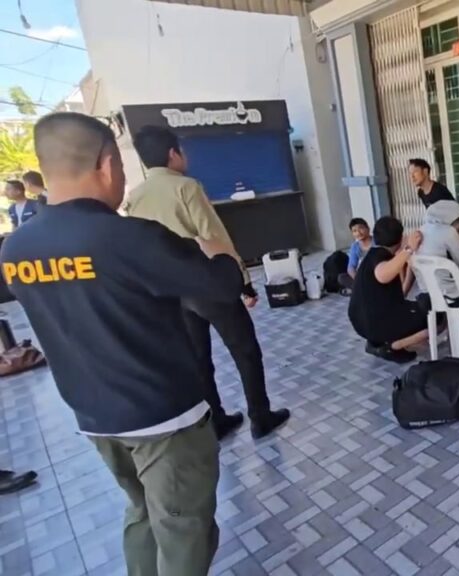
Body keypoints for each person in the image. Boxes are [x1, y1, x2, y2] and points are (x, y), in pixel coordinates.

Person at [1, 111, 242, 575]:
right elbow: (221, 285)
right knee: (184, 530)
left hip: (96, 417)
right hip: (162, 416)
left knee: (143, 512)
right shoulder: (127, 237)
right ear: (108, 164)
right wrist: (218, 247)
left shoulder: (16, 250)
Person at [125, 126, 289, 441]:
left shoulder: (135, 197)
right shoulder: (186, 187)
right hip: (205, 283)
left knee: (199, 358)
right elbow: (214, 238)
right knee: (245, 350)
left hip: (171, 291)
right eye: (181, 150)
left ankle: (216, 420)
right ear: (172, 153)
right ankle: (260, 417)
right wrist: (242, 281)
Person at [349, 216, 429, 363]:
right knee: (435, 320)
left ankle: (377, 341)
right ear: (400, 239)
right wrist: (409, 249)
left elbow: (401, 289)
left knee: (417, 308)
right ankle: (391, 347)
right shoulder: (380, 258)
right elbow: (382, 274)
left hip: (361, 321)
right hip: (374, 323)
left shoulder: (372, 254)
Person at [344, 217, 373, 290]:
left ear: (368, 228)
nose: (358, 233)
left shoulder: (377, 241)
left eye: (361, 228)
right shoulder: (355, 246)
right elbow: (351, 267)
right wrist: (359, 279)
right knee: (342, 277)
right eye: (354, 231)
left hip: (378, 273)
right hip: (363, 276)